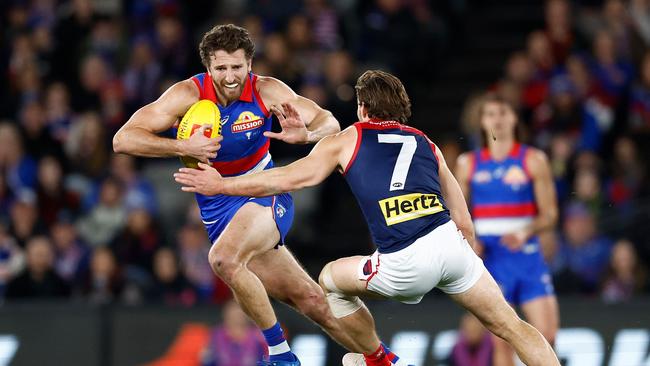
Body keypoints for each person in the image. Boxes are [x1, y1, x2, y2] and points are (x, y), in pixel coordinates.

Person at [173, 70, 560, 366]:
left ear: (361, 107)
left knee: (330, 278)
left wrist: (222, 186)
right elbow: (463, 217)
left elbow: (290, 177)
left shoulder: (348, 138)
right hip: (452, 248)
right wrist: (460, 258)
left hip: (405, 261)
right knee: (513, 327)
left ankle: (376, 359)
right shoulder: (424, 141)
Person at [113, 24, 362, 365]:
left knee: (223, 259)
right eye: (221, 68)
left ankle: (280, 355)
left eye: (237, 67)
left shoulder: (268, 90)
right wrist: (183, 145)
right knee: (312, 302)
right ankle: (382, 357)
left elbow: (329, 122)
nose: (230, 77)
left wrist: (306, 136)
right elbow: (123, 140)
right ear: (208, 67)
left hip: (263, 192)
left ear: (250, 64)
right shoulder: (187, 95)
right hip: (218, 206)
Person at [455, 94, 560, 366]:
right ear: (481, 121)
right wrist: (469, 240)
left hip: (526, 257)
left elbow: (549, 214)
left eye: (503, 113)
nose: (498, 120)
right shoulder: (468, 164)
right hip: (492, 260)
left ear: (514, 118)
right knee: (502, 344)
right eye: (490, 114)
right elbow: (454, 213)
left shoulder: (533, 159)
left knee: (548, 335)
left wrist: (525, 231)